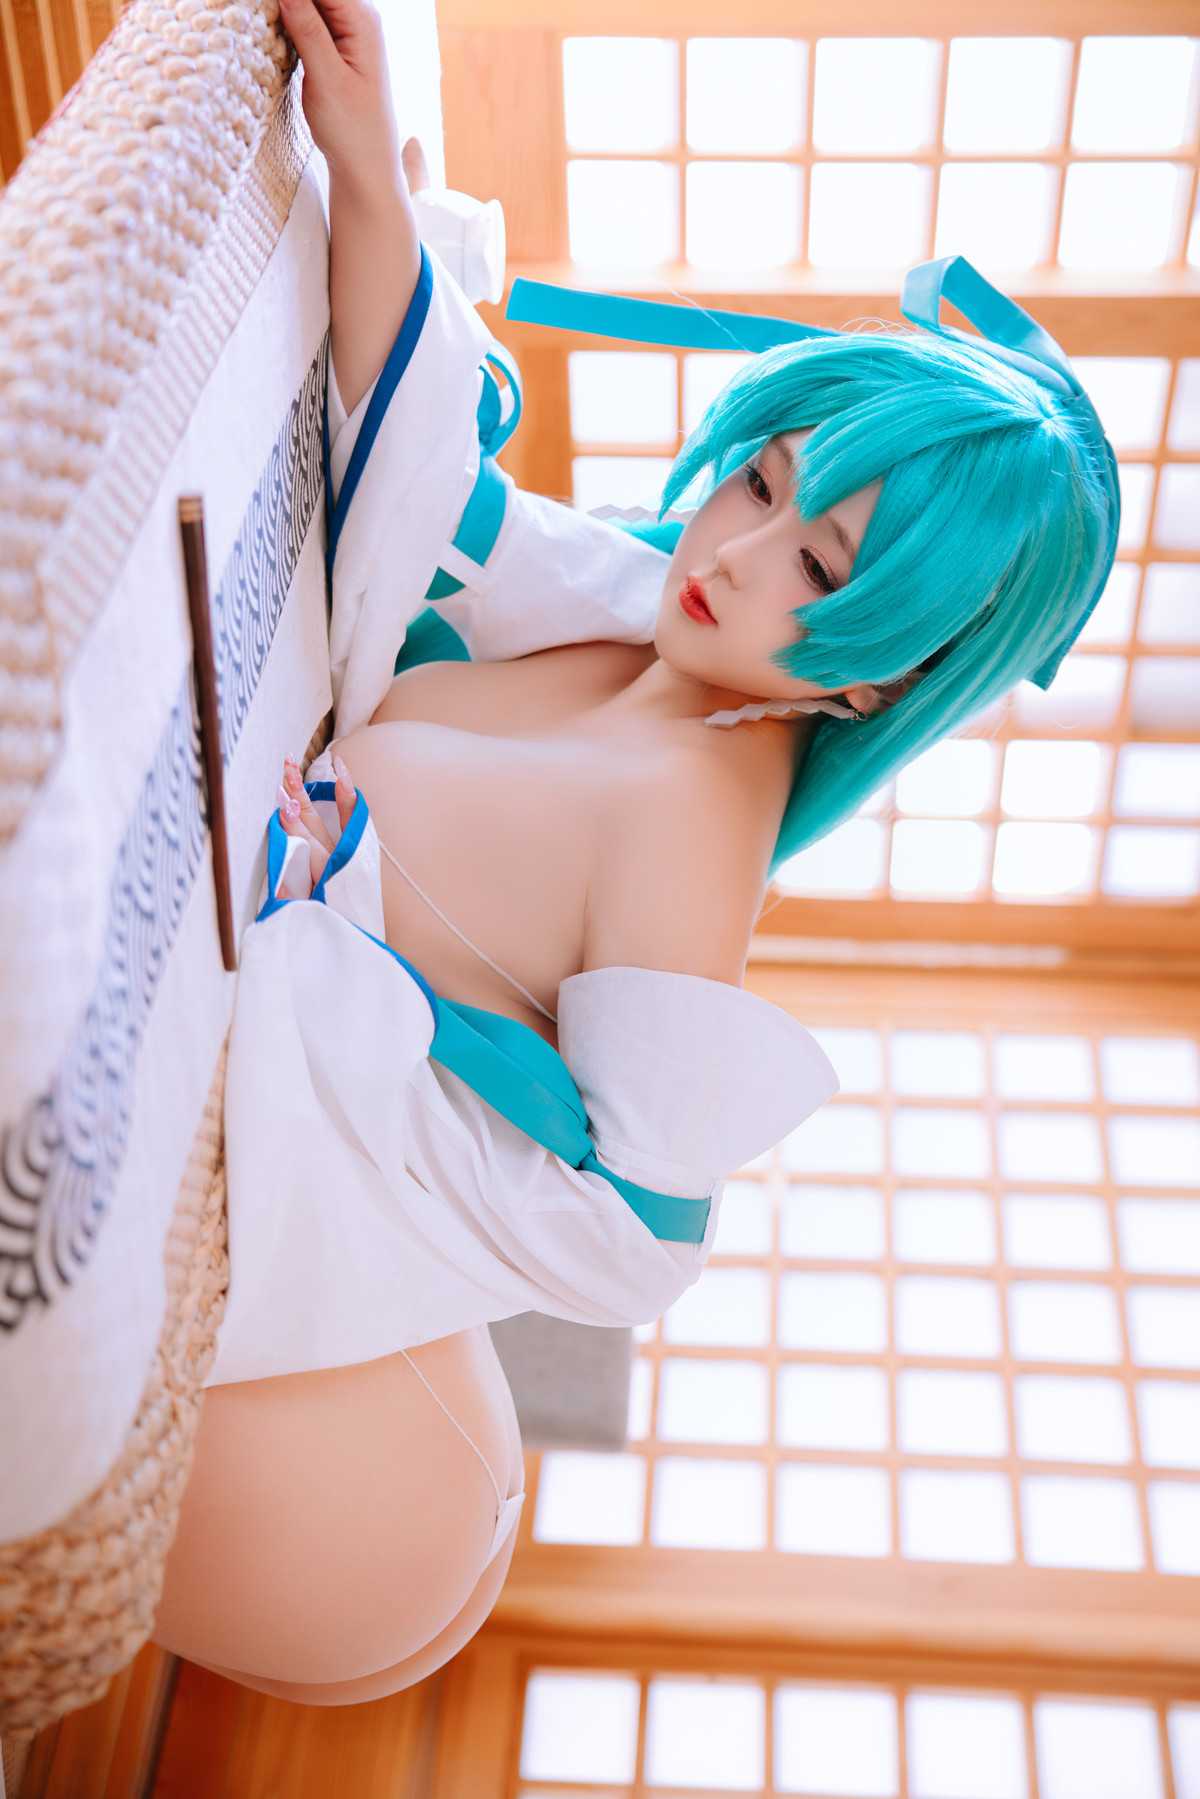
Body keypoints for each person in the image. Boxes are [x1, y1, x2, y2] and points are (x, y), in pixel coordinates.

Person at [152, 0, 1118, 1704]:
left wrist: (352, 971)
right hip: (384, 1425)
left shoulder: (693, 827)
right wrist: (364, 173)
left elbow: (636, 1229)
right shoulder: (649, 623)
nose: (735, 553)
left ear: (884, 675)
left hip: (366, 1471)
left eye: (818, 568)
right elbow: (428, 484)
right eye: (762, 482)